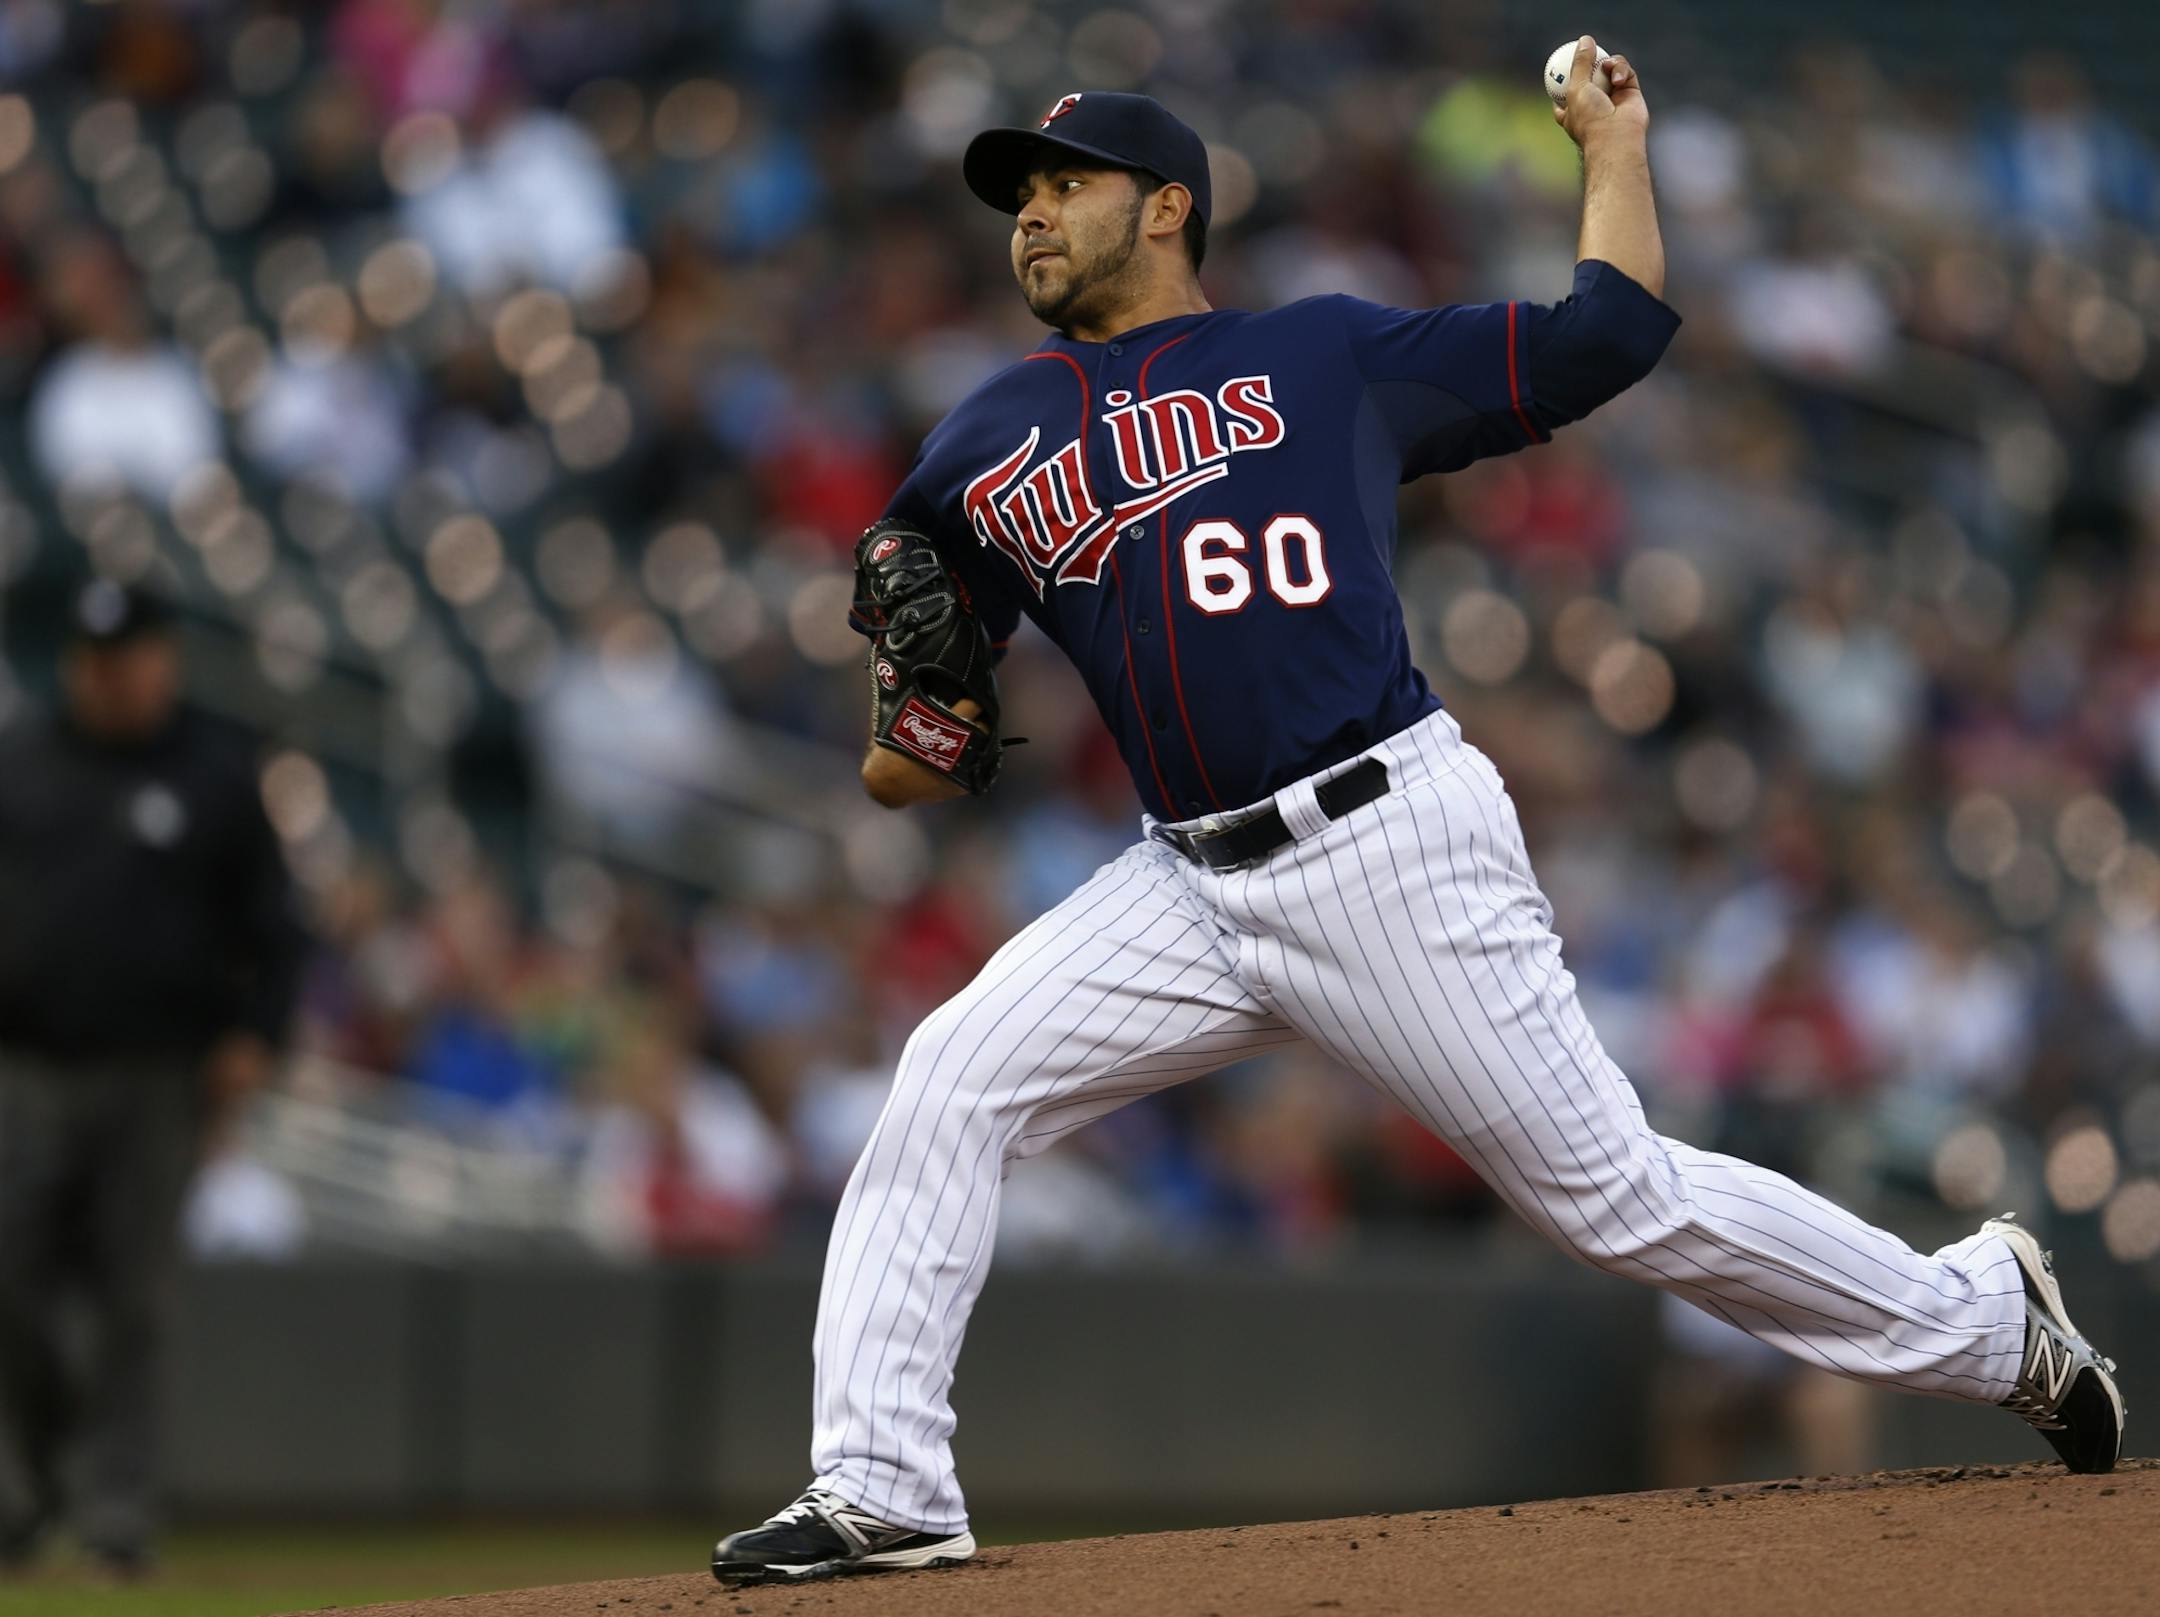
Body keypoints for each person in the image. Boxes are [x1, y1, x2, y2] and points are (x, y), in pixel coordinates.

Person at [712, 44, 2124, 1584]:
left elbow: (1613, 332)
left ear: (1168, 207)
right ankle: (884, 1482)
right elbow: (910, 763)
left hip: (1382, 843)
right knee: (947, 1078)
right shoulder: (985, 438)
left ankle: (1991, 1319)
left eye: (1067, 186)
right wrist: (915, 690)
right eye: (1020, 196)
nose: (1031, 218)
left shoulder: (1325, 355)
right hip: (1184, 883)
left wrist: (1612, 146)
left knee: (1616, 1202)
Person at [0, 580, 306, 1577]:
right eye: (93, 657)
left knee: (136, 1304)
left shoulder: (214, 776)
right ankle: (20, 1497)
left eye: (126, 655)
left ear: (164, 659)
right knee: (11, 1286)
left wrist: (254, 1036)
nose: (109, 675)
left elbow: (276, 930)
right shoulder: (22, 763)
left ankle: (115, 1518)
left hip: (158, 1075)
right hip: (27, 1066)